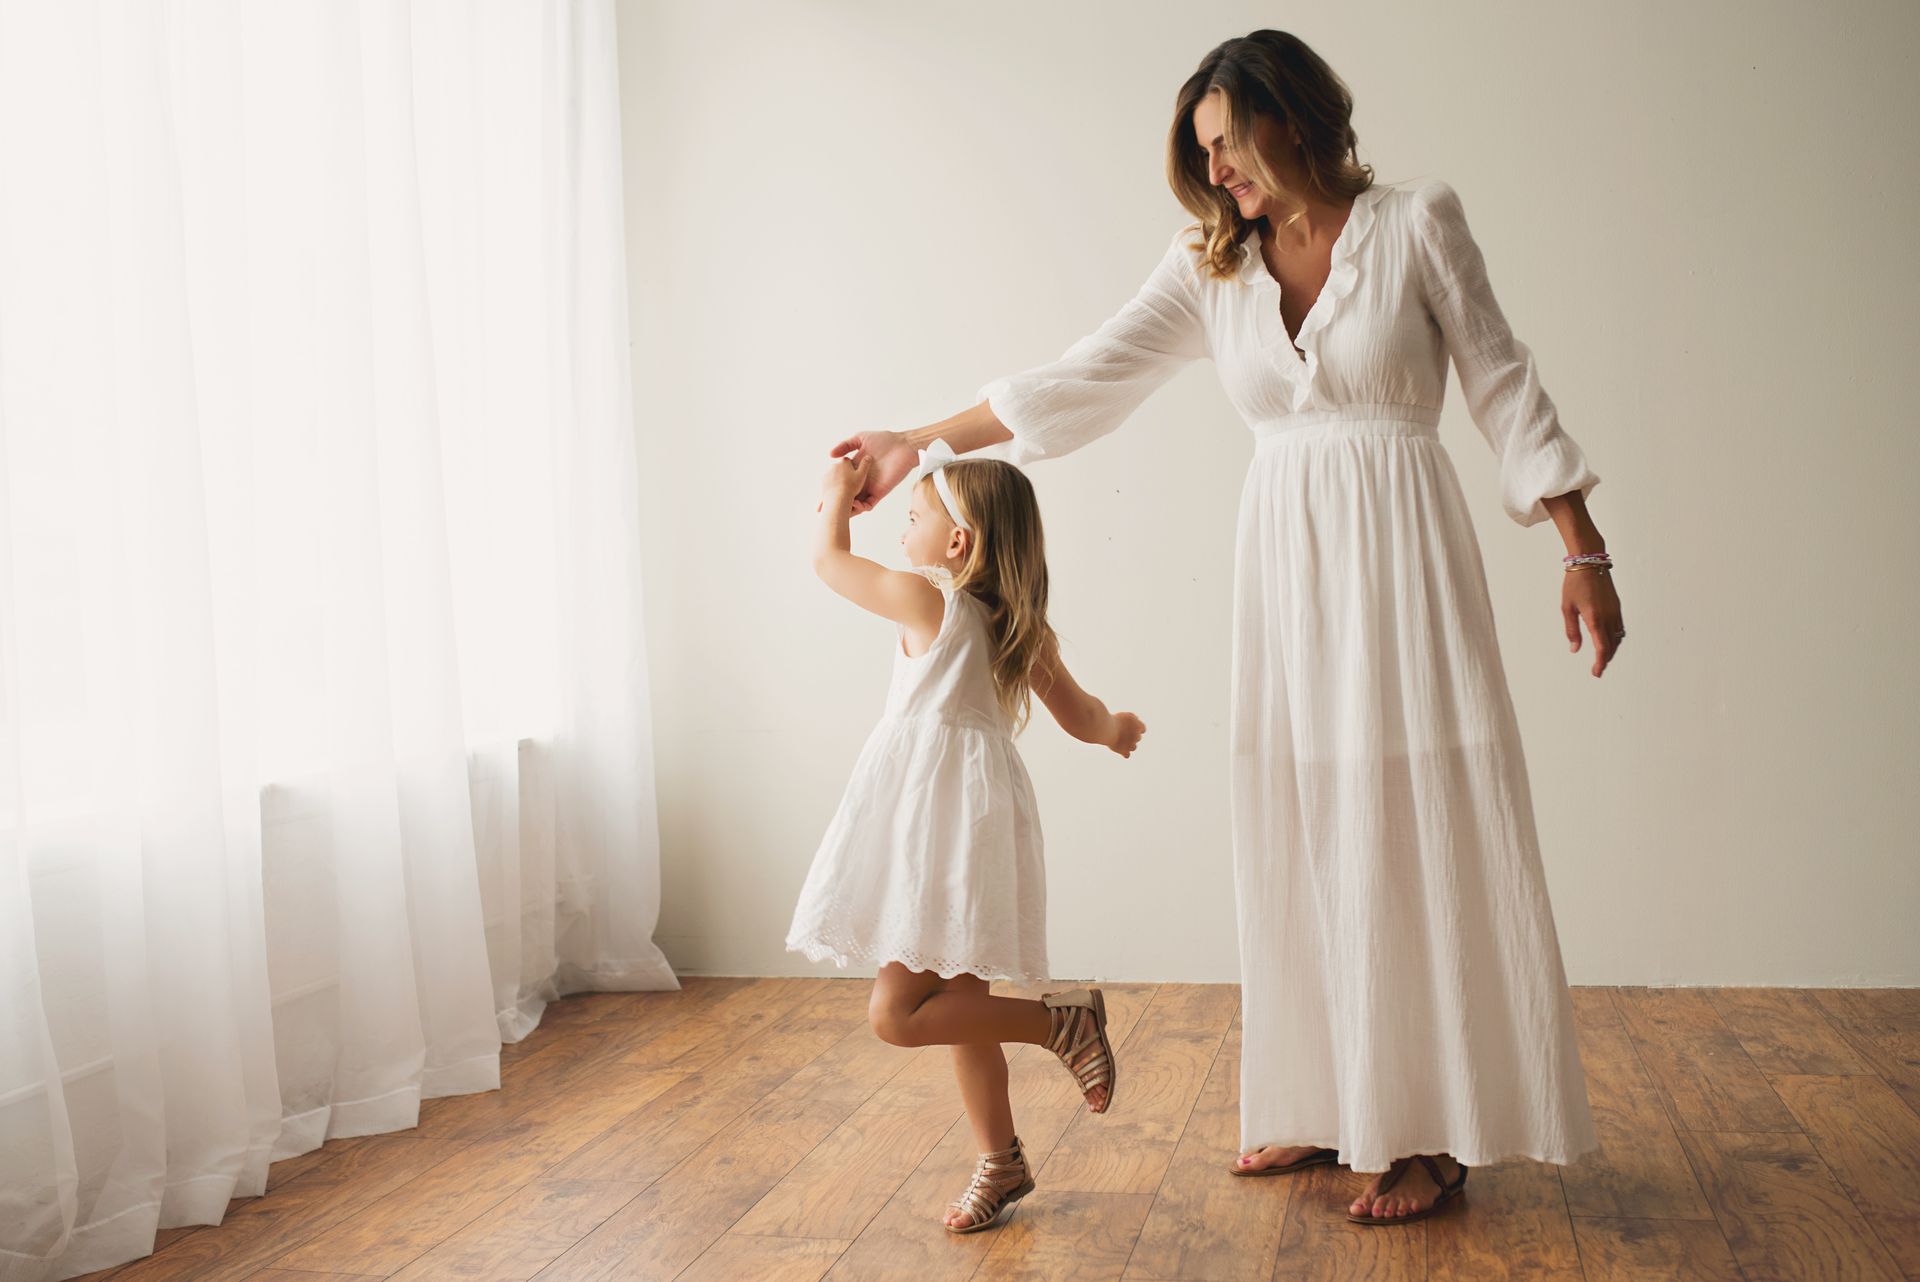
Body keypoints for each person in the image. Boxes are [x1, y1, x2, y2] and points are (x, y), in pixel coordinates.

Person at [824, 30, 1622, 1226]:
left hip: (1399, 554)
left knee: (1409, 822)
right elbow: (1083, 375)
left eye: (1228, 143)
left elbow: (1503, 381)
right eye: (1201, 153)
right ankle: (1319, 1097)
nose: (1219, 172)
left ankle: (1428, 1132)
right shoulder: (1214, 265)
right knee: (1300, 819)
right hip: (1287, 564)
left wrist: (1581, 546)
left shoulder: (1415, 222)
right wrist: (917, 441)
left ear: (1294, 117)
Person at [789, 442, 1147, 1233]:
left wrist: (835, 491)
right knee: (959, 1005)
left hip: (929, 821)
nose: (902, 529)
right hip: (977, 822)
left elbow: (826, 561)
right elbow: (1084, 717)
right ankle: (1001, 1160)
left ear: (959, 544)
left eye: (914, 517)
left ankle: (1061, 1023)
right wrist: (1117, 729)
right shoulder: (1019, 627)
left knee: (897, 1013)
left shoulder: (930, 603)